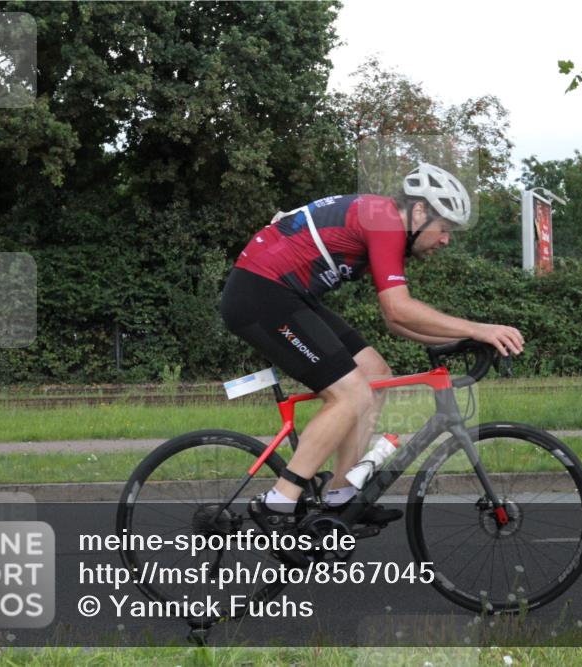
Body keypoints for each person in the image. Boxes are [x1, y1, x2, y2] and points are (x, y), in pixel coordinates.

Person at [220, 163, 524, 537]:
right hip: (261, 294)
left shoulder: (384, 221)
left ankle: (340, 497)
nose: (447, 240)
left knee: (375, 374)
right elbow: (399, 309)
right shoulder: (385, 222)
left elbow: (396, 321)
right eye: (445, 227)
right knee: (350, 394)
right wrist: (480, 328)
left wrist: (461, 342)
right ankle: (279, 501)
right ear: (418, 211)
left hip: (288, 295)